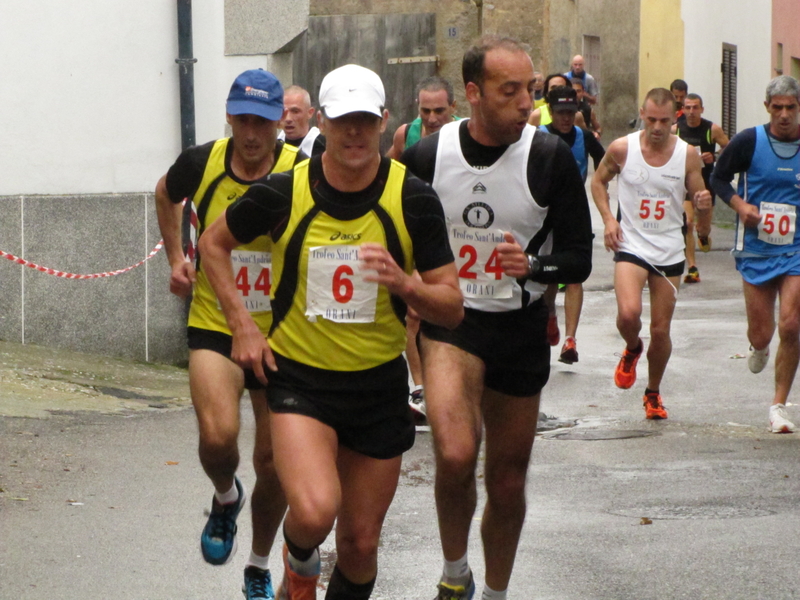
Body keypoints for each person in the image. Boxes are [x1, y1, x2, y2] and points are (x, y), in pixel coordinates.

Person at [199, 63, 464, 600]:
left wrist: (405, 286)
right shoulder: (282, 191)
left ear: (384, 121)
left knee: (361, 545)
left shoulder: (411, 198)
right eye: (343, 120)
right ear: (322, 120)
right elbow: (212, 244)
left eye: (365, 120)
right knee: (316, 511)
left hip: (377, 387)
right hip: (302, 383)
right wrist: (242, 325)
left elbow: (452, 307)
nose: (354, 134)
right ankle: (299, 564)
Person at [401, 35, 593, 600]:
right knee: (456, 453)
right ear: (472, 93)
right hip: (454, 323)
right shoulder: (428, 157)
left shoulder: (549, 158)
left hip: (519, 326)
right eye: (509, 91)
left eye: (529, 90)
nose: (524, 104)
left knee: (507, 482)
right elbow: (392, 231)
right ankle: (454, 575)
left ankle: (495, 593)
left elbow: (579, 256)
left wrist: (534, 264)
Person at [154, 69, 306, 600]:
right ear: (229, 115)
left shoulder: (301, 170)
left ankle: (259, 564)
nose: (251, 133)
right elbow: (164, 194)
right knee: (218, 440)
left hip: (281, 333)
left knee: (275, 464)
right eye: (242, 119)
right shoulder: (203, 163)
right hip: (216, 321)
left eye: (262, 122)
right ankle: (224, 497)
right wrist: (177, 258)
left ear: (278, 123)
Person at [591, 87, 711, 420]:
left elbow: (699, 194)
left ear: (674, 119)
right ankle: (632, 348)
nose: (657, 127)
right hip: (631, 245)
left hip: (669, 249)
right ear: (642, 114)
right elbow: (598, 182)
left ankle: (653, 392)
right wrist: (608, 220)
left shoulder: (687, 154)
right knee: (629, 315)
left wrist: (702, 206)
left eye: (663, 121)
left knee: (660, 331)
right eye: (651, 119)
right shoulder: (622, 148)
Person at [710, 75, 800, 434]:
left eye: (790, 108)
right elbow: (718, 177)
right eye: (776, 108)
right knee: (762, 334)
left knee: (792, 324)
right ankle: (759, 347)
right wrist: (739, 205)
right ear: (767, 108)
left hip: (795, 247)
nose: (783, 115)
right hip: (757, 249)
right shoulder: (749, 140)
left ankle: (778, 406)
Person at [541, 86, 605, 365]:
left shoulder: (585, 137)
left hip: (574, 214)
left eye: (569, 113)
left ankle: (571, 340)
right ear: (550, 111)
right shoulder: (537, 137)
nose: (565, 118)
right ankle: (550, 315)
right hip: (542, 216)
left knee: (575, 273)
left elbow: (606, 167)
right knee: (549, 276)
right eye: (559, 113)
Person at [673, 93, 730, 283]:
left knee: (702, 228)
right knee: (687, 223)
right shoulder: (676, 130)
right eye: (687, 107)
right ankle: (692, 267)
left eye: (695, 107)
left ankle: (704, 236)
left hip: (706, 186)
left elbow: (729, 149)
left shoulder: (712, 129)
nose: (691, 112)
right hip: (685, 185)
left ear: (701, 110)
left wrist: (713, 156)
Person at [386, 76, 458, 159]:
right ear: (418, 106)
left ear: (453, 106)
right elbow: (387, 169)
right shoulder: (405, 135)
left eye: (439, 111)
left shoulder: (467, 133)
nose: (432, 119)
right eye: (426, 111)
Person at [279, 85, 326, 157]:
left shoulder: (323, 145)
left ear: (310, 113)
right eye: (283, 111)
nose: (288, 119)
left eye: (295, 111)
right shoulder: (273, 145)